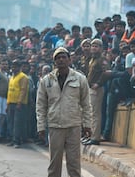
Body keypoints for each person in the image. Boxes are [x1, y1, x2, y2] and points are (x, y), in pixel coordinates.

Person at [36, 47, 92, 177]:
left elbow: (86, 104)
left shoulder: (80, 79)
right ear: (54, 62)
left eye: (63, 57)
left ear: (69, 60)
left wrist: (87, 124)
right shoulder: (47, 81)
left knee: (74, 163)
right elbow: (41, 105)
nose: (61, 60)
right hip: (55, 126)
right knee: (54, 164)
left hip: (74, 125)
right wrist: (41, 126)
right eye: (58, 58)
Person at [6, 59, 29, 148]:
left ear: (19, 67)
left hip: (19, 103)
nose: (13, 68)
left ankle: (17, 141)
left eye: (15, 66)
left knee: (17, 123)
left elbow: (23, 90)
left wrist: (19, 102)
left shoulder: (23, 77)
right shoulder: (11, 77)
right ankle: (12, 139)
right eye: (12, 66)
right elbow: (9, 91)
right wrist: (7, 103)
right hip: (11, 102)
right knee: (11, 122)